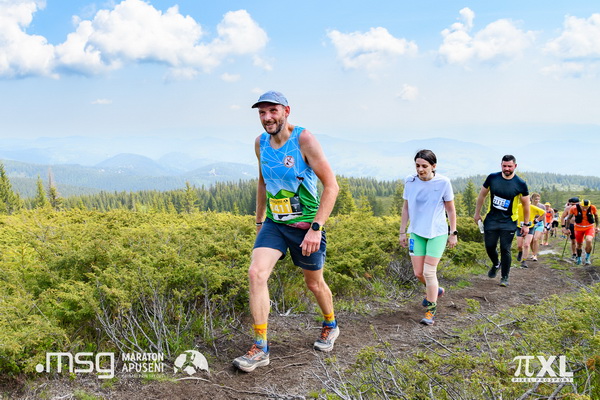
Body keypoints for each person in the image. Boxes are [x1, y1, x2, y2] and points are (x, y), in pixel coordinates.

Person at [233, 91, 340, 373]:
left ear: (286, 111)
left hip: (306, 227)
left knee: (314, 284)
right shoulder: (260, 143)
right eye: (262, 112)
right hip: (275, 224)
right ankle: (261, 347)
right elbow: (262, 181)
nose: (267, 117)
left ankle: (330, 323)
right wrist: (259, 221)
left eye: (273, 111)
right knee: (256, 273)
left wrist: (316, 228)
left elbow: (332, 186)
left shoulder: (303, 139)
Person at [399, 150, 457, 326]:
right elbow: (406, 208)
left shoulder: (443, 182)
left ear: (433, 166)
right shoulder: (410, 181)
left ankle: (430, 310)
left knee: (429, 272)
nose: (420, 169)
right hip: (416, 232)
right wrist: (402, 232)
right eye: (417, 165)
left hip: (437, 233)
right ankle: (435, 290)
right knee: (418, 273)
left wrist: (453, 233)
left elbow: (450, 210)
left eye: (424, 166)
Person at [474, 155, 530, 287]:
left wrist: (526, 224)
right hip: (492, 219)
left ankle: (505, 277)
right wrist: (477, 213)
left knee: (505, 248)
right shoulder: (492, 178)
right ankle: (496, 264)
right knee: (489, 246)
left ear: (515, 166)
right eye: (504, 166)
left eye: (510, 166)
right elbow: (482, 195)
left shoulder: (520, 184)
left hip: (509, 221)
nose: (507, 169)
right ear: (501, 165)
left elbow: (526, 205)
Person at [563, 199, 599, 265]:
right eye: (583, 207)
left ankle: (587, 258)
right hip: (578, 228)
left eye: (587, 207)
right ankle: (579, 258)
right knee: (579, 244)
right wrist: (567, 228)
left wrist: (597, 227)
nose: (585, 208)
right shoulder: (574, 208)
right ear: (580, 205)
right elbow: (568, 218)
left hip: (589, 227)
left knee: (589, 240)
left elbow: (596, 217)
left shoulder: (592, 208)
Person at [515, 201, 545, 268]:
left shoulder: (532, 207)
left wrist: (537, 220)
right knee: (519, 245)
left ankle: (524, 261)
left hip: (530, 227)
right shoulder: (518, 206)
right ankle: (520, 252)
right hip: (519, 227)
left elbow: (543, 213)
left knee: (526, 244)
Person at [529, 193, 544, 261]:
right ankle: (533, 253)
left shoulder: (542, 206)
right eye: (535, 199)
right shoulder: (529, 206)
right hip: (531, 224)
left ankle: (535, 255)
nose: (537, 201)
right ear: (532, 199)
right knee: (531, 240)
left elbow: (544, 216)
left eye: (538, 199)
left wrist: (545, 226)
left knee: (535, 239)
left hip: (539, 224)